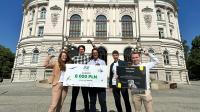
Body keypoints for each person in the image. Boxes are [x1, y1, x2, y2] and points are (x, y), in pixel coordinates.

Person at [70, 45, 90, 112]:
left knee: (85, 97)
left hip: (84, 80)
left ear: (84, 50)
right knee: (74, 97)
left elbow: (96, 53)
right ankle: (72, 110)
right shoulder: (75, 58)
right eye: (80, 49)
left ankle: (87, 110)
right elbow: (67, 60)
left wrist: (92, 44)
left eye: (82, 49)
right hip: (76, 80)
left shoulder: (87, 57)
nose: (81, 50)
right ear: (78, 50)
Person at [87, 48, 107, 112]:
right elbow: (87, 72)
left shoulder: (102, 62)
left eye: (96, 52)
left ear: (98, 53)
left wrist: (100, 68)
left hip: (101, 85)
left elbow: (104, 72)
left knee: (102, 101)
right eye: (93, 53)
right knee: (92, 102)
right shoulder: (89, 63)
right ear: (92, 54)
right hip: (92, 85)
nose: (95, 54)